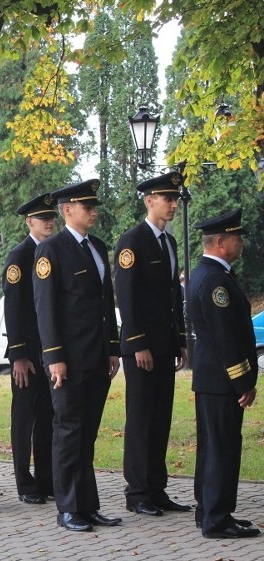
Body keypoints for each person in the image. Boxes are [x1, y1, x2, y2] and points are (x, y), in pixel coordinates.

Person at [33, 179, 121, 532]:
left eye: (94, 206)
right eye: (87, 207)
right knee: (68, 431)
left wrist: (113, 348)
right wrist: (54, 356)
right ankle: (68, 507)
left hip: (96, 357)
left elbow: (105, 303)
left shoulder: (98, 247)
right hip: (67, 359)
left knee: (87, 433)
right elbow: (46, 308)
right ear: (67, 210)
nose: (93, 211)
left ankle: (88, 504)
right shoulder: (51, 251)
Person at [114, 172, 190, 517]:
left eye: (175, 199)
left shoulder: (169, 243)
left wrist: (180, 340)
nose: (173, 205)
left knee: (161, 418)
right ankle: (138, 491)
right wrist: (138, 343)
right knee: (142, 418)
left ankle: (157, 488)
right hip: (142, 347)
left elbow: (173, 296)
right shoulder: (132, 242)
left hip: (164, 344)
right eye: (167, 199)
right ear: (149, 201)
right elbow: (127, 299)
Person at [189, 208, 259, 539]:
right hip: (221, 380)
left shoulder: (205, 274)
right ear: (220, 242)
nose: (241, 243)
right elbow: (226, 338)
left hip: (211, 379)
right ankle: (217, 520)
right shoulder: (216, 280)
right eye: (236, 238)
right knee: (222, 448)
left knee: (211, 446)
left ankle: (208, 510)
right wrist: (243, 381)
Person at [2, 193, 57, 505]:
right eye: (42, 218)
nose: (48, 222)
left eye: (51, 217)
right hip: (28, 353)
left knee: (49, 416)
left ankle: (47, 479)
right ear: (29, 222)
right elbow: (15, 309)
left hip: (50, 352)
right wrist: (19, 355)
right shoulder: (20, 256)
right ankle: (25, 482)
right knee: (24, 419)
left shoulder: (54, 252)